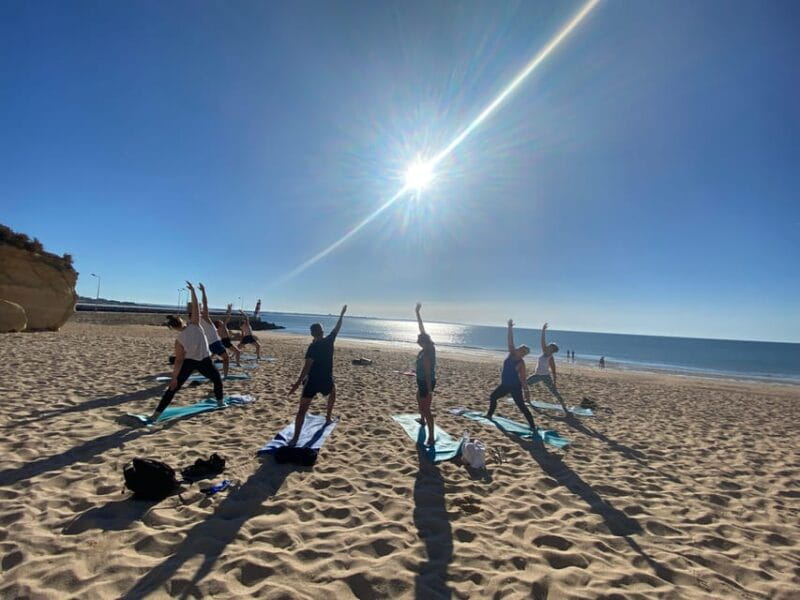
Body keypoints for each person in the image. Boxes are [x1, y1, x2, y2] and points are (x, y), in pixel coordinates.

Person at [149, 282, 224, 422]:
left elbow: (179, 361)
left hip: (190, 362)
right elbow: (196, 307)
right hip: (204, 361)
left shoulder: (179, 340)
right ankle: (220, 403)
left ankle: (156, 415)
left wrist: (174, 379)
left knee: (173, 388)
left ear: (173, 328)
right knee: (217, 380)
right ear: (182, 321)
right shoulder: (195, 324)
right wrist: (193, 291)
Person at [287, 305, 347, 446]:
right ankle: (328, 418)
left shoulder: (312, 347)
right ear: (322, 332)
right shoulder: (329, 340)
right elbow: (337, 327)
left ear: (312, 334)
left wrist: (297, 383)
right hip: (325, 379)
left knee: (302, 410)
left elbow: (306, 367)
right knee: (332, 393)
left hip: (312, 381)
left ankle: (295, 439)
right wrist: (341, 315)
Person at [485, 319, 537, 430]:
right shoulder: (511, 354)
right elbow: (510, 341)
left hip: (514, 387)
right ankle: (489, 415)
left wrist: (526, 391)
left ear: (523, 354)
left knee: (521, 406)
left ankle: (533, 426)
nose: (518, 349)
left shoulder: (521, 363)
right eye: (519, 348)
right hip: (504, 385)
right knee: (493, 397)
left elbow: (523, 378)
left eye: (521, 350)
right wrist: (510, 328)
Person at [195, 283, 232, 377]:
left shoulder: (195, 321)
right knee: (226, 358)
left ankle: (203, 371)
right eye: (200, 309)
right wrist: (203, 291)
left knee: (207, 360)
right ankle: (225, 376)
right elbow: (205, 303)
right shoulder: (205, 318)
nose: (202, 309)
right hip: (214, 342)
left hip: (207, 344)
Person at [527, 322, 564, 409]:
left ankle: (563, 405)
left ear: (552, 350)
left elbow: (554, 370)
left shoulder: (550, 358)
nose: (547, 346)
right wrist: (543, 330)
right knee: (525, 383)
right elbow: (542, 341)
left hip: (545, 376)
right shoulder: (544, 351)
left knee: (553, 391)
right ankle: (526, 399)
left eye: (549, 346)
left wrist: (554, 381)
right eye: (548, 346)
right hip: (537, 375)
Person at [414, 303, 437, 446]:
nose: (419, 344)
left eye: (419, 343)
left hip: (426, 382)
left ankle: (431, 437)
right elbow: (422, 329)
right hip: (422, 381)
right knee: (418, 398)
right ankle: (422, 420)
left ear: (424, 342)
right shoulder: (428, 347)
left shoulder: (428, 353)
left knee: (426, 409)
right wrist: (417, 314)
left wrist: (429, 391)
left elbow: (428, 374)